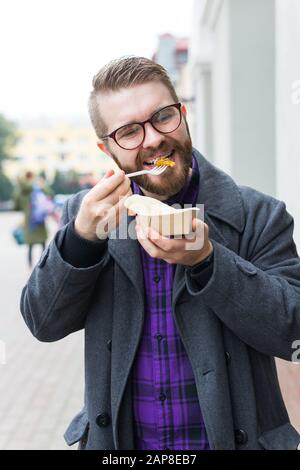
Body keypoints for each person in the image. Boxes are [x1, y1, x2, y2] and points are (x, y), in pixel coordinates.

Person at [20, 57, 300, 450]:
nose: (152, 139)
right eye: (129, 131)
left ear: (183, 115)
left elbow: (293, 334)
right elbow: (43, 323)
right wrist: (81, 239)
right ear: (106, 148)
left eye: (163, 117)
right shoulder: (89, 217)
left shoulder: (258, 214)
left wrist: (207, 261)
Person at [14, 172, 51, 267]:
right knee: (42, 243)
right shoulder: (39, 187)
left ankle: (30, 266)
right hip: (39, 219)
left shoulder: (23, 190)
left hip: (30, 220)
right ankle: (43, 264)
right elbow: (50, 195)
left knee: (30, 244)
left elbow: (16, 204)